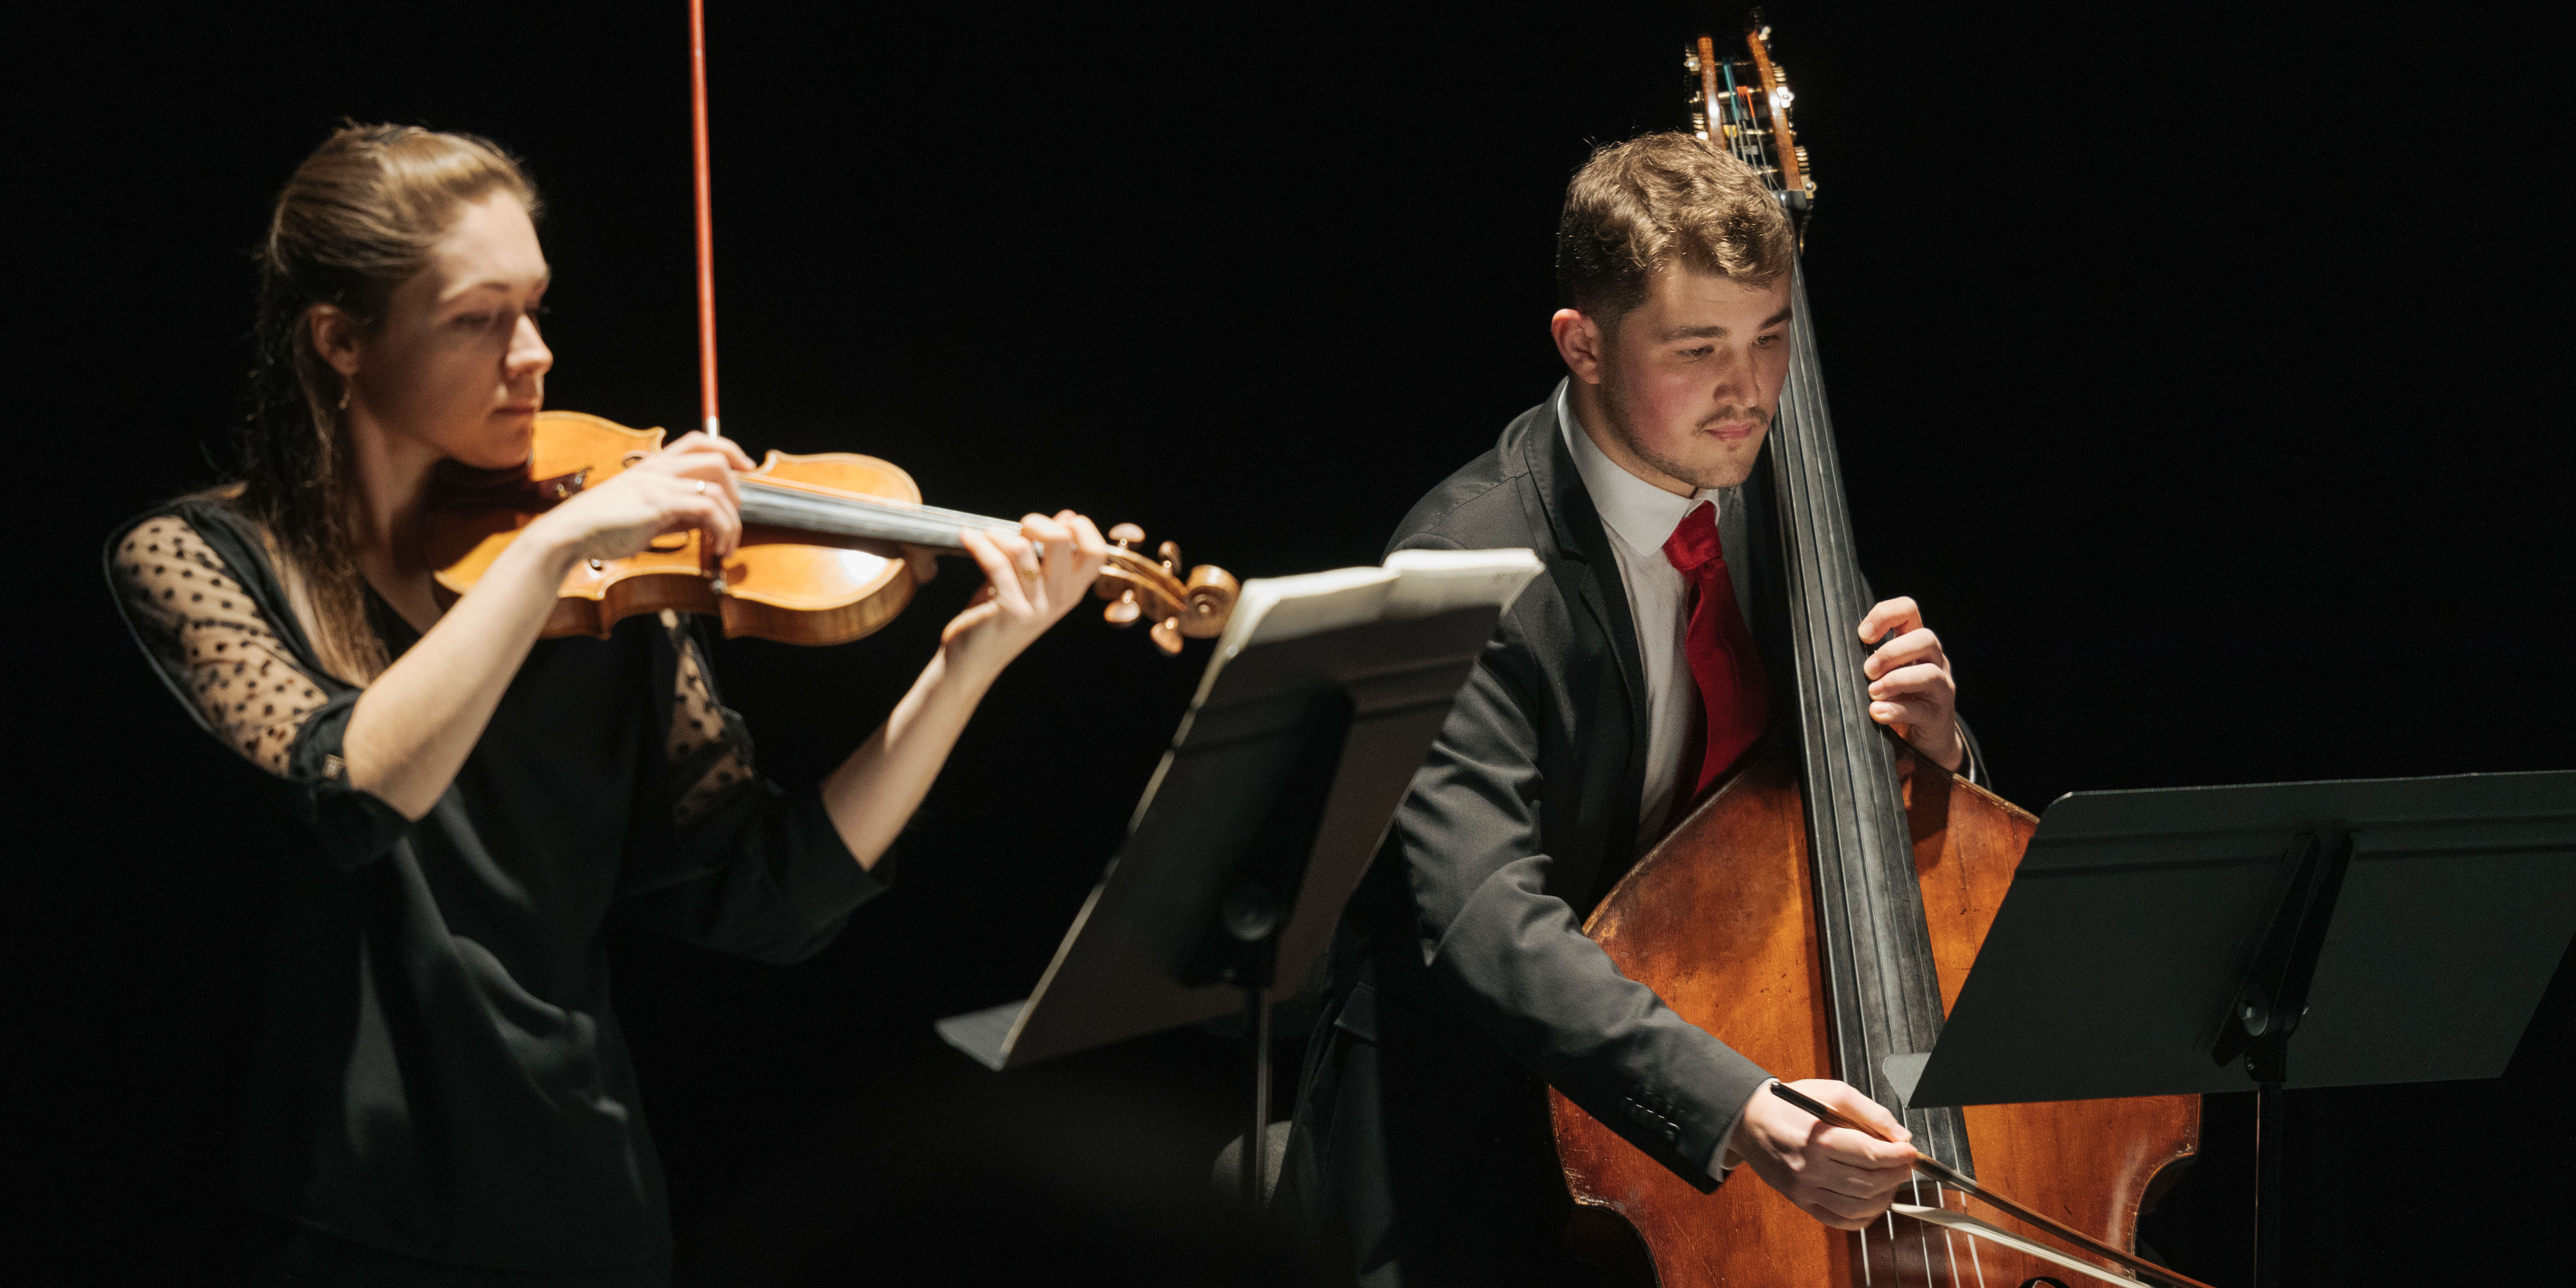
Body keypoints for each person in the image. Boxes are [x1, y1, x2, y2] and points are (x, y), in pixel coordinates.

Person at [104, 123, 1108, 1286]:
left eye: (535, 308)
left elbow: (765, 896)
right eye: (478, 319)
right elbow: (349, 791)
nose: (532, 355)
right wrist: (558, 547)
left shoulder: (599, 583)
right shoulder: (196, 559)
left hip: (585, 1211)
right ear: (340, 340)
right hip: (332, 1226)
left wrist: (965, 668)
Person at [1275, 132, 1991, 1284]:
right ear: (1585, 346)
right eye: (1699, 349)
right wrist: (1742, 1108)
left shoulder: (1772, 506)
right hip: (1467, 1148)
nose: (1749, 392)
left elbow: (1859, 819)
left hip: (1713, 1108)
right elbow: (1481, 917)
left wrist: (1936, 747)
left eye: (1771, 339)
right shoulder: (1462, 565)